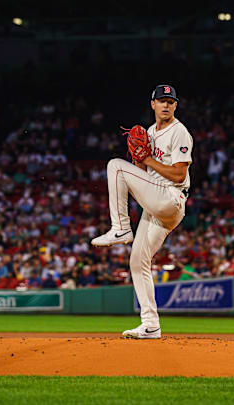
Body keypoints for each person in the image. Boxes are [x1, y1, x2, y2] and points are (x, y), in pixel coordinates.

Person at [91, 84, 192, 339]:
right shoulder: (149, 131)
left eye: (170, 101)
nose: (166, 105)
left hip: (170, 197)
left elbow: (180, 173)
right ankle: (150, 325)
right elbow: (145, 174)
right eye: (162, 101)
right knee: (138, 262)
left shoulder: (179, 132)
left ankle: (121, 227)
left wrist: (145, 160)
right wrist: (139, 159)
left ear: (175, 106)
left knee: (115, 165)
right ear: (153, 105)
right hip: (157, 203)